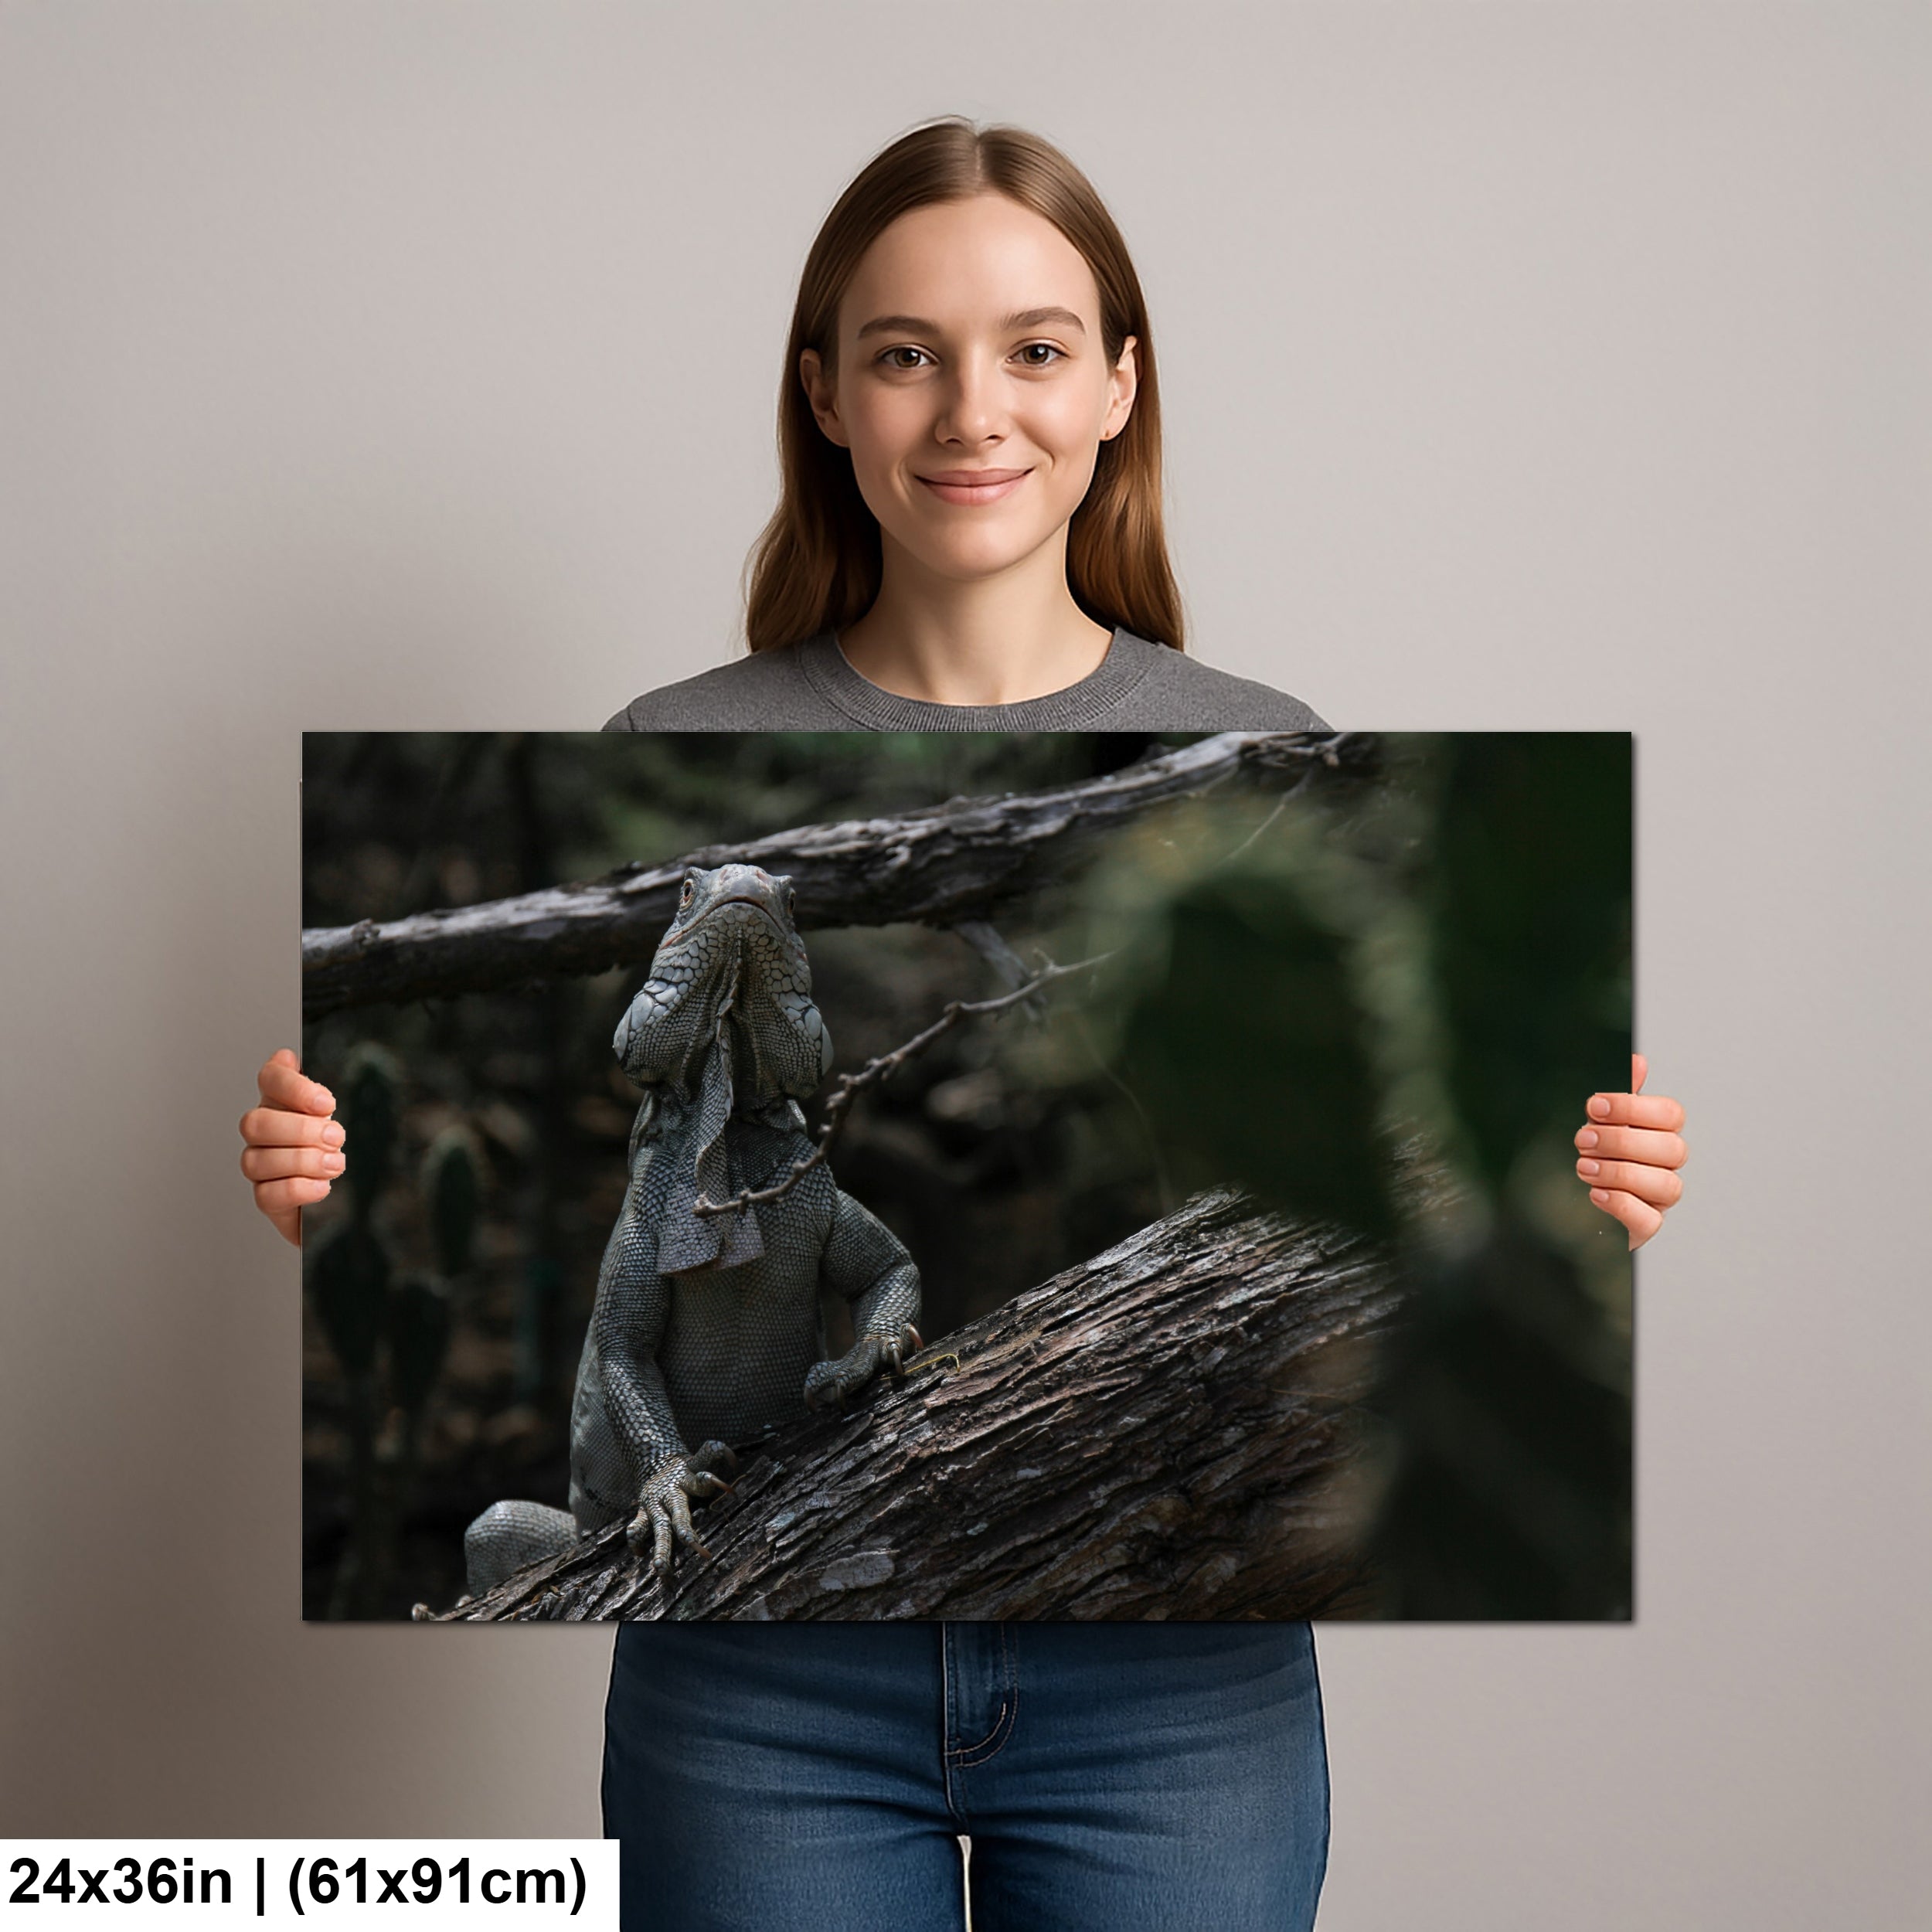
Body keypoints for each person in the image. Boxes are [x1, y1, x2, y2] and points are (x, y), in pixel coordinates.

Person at [241, 118, 1689, 1932]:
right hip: (754, 1686)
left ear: (1116, 388)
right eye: (904, 351)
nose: (969, 409)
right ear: (825, 395)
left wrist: (1584, 1175)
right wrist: (310, 1190)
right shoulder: (667, 725)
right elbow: (614, 1342)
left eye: (1034, 346)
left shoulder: (1266, 739)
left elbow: (1360, 1165)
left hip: (1176, 1669)